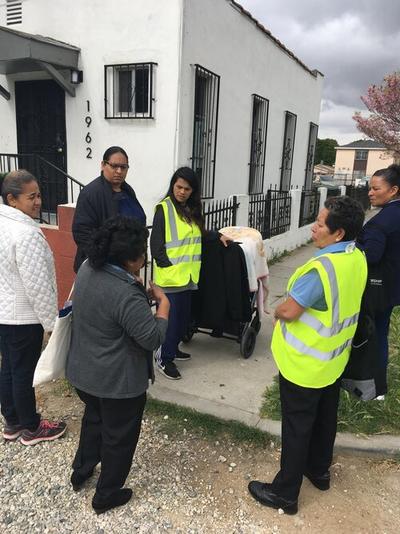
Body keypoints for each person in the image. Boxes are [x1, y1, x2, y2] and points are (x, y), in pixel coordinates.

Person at [248, 196, 367, 515]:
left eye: (320, 223)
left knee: (298, 427)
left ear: (338, 233)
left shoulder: (322, 269)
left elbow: (289, 310)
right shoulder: (357, 257)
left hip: (305, 366)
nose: (314, 227)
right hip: (333, 361)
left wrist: (277, 311)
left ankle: (285, 493)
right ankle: (319, 471)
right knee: (325, 419)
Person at [66, 216, 169, 514]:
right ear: (130, 259)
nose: (144, 261)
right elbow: (151, 338)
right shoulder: (125, 293)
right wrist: (163, 306)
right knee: (119, 436)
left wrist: (134, 290)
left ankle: (82, 471)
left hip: (84, 373)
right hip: (117, 383)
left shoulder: (88, 267)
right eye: (141, 257)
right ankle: (106, 494)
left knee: (94, 420)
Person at [0, 170, 66, 445]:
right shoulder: (25, 233)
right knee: (23, 372)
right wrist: (52, 325)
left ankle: (12, 422)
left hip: (5, 313)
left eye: (39, 195)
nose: (38, 201)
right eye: (32, 197)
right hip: (24, 317)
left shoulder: (4, 225)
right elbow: (37, 286)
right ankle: (31, 426)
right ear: (12, 199)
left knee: (9, 369)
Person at [150, 167, 230, 380]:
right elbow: (156, 245)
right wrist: (168, 267)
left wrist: (217, 235)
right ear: (172, 186)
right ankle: (163, 359)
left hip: (187, 278)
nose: (182, 192)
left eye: (187, 188)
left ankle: (173, 349)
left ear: (193, 191)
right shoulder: (164, 209)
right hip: (170, 278)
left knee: (183, 319)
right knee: (169, 322)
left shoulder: (190, 210)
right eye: (179, 187)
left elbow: (198, 235)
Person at [357, 164, 400, 398]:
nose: (370, 193)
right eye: (369, 188)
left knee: (373, 336)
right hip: (392, 287)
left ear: (393, 190)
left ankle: (375, 388)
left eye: (376, 188)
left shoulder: (380, 222)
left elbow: (370, 256)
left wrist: (354, 247)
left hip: (377, 290)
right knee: (380, 334)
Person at [72, 146, 146, 272]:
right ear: (103, 165)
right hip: (103, 268)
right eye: (114, 166)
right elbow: (82, 233)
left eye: (123, 167)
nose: (119, 171)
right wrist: (107, 259)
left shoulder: (128, 191)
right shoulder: (91, 193)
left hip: (129, 264)